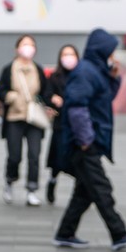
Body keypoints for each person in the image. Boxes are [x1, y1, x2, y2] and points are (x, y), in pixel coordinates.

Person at [53, 28, 126, 252]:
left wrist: (113, 79)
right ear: (102, 51)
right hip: (83, 144)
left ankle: (65, 233)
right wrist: (85, 140)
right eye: (111, 51)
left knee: (84, 192)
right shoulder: (85, 72)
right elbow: (76, 107)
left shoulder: (96, 72)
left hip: (89, 141)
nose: (113, 56)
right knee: (102, 188)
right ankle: (119, 233)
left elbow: (103, 100)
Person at [0, 35, 48, 207]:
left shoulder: (37, 69)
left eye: (31, 45)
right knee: (14, 155)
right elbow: (0, 90)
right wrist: (9, 96)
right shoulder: (9, 68)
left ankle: (32, 189)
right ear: (17, 48)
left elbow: (45, 92)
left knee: (34, 154)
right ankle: (10, 181)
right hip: (14, 117)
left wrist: (48, 101)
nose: (28, 48)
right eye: (25, 44)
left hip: (34, 118)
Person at [42, 44, 79, 205]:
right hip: (60, 123)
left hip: (77, 125)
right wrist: (53, 100)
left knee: (77, 160)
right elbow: (46, 94)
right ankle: (52, 181)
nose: (68, 57)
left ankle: (80, 190)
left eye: (71, 54)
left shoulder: (81, 76)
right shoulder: (55, 77)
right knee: (57, 159)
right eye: (65, 54)